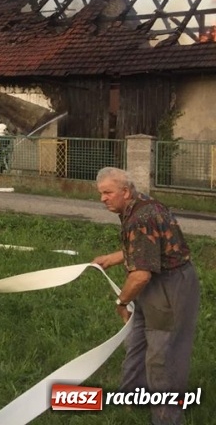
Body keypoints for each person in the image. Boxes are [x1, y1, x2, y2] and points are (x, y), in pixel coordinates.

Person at [92, 167, 200, 425]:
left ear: (125, 191)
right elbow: (146, 247)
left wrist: (122, 302)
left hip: (168, 287)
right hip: (154, 283)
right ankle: (131, 398)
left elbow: (141, 275)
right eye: (101, 193)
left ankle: (166, 419)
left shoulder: (141, 217)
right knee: (137, 340)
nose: (103, 199)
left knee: (162, 357)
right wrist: (112, 258)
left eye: (108, 193)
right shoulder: (142, 205)